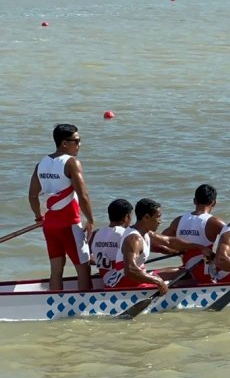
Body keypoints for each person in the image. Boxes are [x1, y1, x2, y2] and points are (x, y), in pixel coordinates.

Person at [28, 123, 95, 290]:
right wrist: (91, 220)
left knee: (56, 270)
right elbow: (83, 195)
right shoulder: (71, 162)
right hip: (70, 224)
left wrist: (39, 217)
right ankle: (85, 310)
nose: (80, 145)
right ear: (64, 143)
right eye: (77, 141)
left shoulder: (41, 163)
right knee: (83, 268)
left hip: (49, 225)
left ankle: (55, 303)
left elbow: (32, 195)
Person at [102, 199, 207, 292]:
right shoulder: (134, 239)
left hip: (135, 277)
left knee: (185, 272)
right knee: (174, 283)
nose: (160, 221)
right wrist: (158, 281)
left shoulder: (145, 232)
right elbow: (130, 270)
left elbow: (169, 241)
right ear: (146, 217)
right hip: (127, 282)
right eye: (158, 217)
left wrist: (199, 247)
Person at [161, 184, 226, 285]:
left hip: (188, 267)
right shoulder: (214, 222)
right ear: (213, 203)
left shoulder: (178, 220)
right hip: (205, 275)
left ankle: (168, 282)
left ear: (194, 201)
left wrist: (177, 250)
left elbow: (161, 241)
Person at [90, 199, 132, 278]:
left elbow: (88, 258)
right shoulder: (127, 234)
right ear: (126, 217)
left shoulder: (96, 233)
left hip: (105, 276)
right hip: (122, 278)